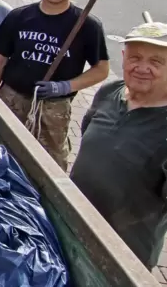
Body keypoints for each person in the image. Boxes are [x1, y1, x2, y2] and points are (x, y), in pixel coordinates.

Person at [0, 0, 110, 170]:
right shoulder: (20, 16)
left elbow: (101, 70)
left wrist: (66, 86)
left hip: (54, 107)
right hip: (12, 98)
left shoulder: (87, 25)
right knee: (1, 151)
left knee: (49, 163)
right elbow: (0, 59)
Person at [70, 21, 167, 270]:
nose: (142, 68)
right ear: (123, 58)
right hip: (71, 225)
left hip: (122, 256)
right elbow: (88, 133)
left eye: (156, 62)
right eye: (135, 57)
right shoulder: (110, 91)